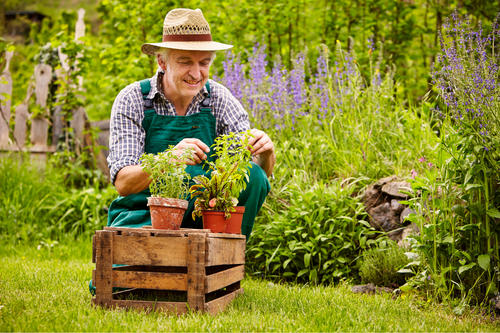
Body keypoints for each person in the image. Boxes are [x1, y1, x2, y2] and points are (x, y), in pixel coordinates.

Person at [106, 8, 276, 240]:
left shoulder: (219, 98)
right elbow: (123, 183)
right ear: (162, 62)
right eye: (185, 62)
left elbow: (254, 179)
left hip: (204, 218)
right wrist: (170, 159)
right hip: (143, 216)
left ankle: (224, 263)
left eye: (204, 63)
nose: (196, 74)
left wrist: (265, 152)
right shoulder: (133, 99)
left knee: (254, 175)